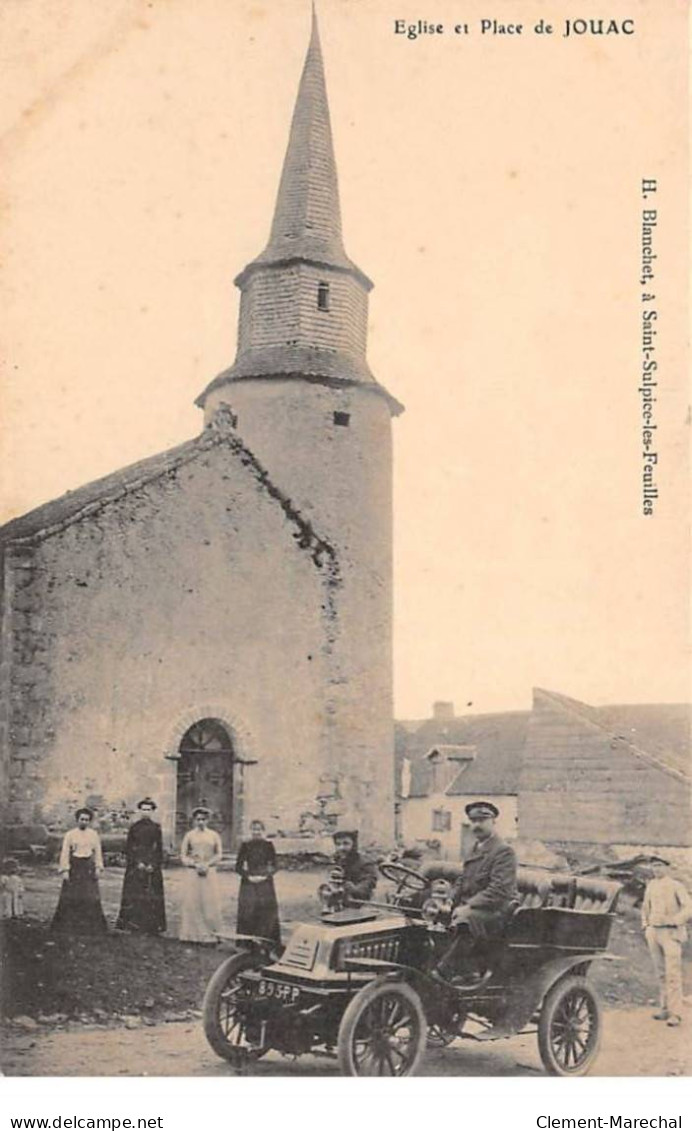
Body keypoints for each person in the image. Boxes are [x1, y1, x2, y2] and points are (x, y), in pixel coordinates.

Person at [432, 801, 517, 983]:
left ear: (493, 822)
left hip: (497, 912)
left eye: (482, 820)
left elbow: (499, 890)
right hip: (476, 909)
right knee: (429, 912)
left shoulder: (504, 851)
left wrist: (467, 906)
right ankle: (462, 969)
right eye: (473, 821)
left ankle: (443, 971)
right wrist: (448, 901)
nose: (476, 825)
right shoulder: (475, 848)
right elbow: (462, 880)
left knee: (466, 918)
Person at [641, 856, 691, 1028]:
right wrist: (645, 925)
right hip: (653, 932)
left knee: (673, 973)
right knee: (660, 972)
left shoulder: (676, 885)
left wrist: (675, 920)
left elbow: (688, 907)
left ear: (667, 868)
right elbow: (645, 907)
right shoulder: (651, 885)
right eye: (654, 866)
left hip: (670, 933)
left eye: (660, 866)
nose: (656, 869)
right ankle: (664, 1008)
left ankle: (676, 1013)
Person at [51, 807, 107, 933]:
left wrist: (98, 867)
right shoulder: (70, 834)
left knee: (90, 895)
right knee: (71, 895)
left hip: (88, 867)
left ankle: (90, 926)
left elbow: (98, 852)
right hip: (75, 867)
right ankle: (69, 925)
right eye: (82, 819)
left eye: (87, 820)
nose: (84, 822)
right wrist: (65, 870)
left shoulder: (93, 834)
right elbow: (65, 853)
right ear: (77, 820)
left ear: (90, 821)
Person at [115, 797, 167, 935]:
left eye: (148, 809)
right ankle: (133, 924)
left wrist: (153, 864)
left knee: (151, 893)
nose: (146, 812)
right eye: (143, 809)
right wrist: (137, 862)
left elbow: (159, 848)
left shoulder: (156, 828)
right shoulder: (134, 827)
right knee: (134, 893)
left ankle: (152, 926)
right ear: (139, 810)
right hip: (136, 864)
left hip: (151, 864)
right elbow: (129, 847)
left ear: (152, 811)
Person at [179, 806, 223, 943]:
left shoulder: (214, 835)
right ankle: (191, 935)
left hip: (209, 872)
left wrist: (208, 864)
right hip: (194, 873)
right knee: (193, 902)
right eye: (198, 819)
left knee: (209, 902)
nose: (201, 822)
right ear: (194, 820)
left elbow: (219, 854)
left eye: (203, 819)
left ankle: (210, 934)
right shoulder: (189, 835)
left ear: (208, 820)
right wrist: (194, 864)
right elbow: (183, 855)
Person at [235, 819, 281, 945]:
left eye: (259, 829)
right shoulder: (246, 845)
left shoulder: (268, 845)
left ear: (263, 831)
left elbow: (275, 865)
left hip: (265, 881)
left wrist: (265, 875)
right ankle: (247, 943)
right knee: (248, 910)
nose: (256, 832)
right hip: (249, 881)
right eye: (254, 829)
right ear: (251, 830)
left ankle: (267, 941)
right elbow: (238, 867)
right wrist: (248, 877)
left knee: (266, 910)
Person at [331, 828, 377, 906]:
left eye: (346, 844)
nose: (341, 848)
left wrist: (354, 888)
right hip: (341, 902)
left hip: (361, 904)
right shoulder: (339, 861)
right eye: (338, 844)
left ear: (354, 844)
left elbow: (368, 883)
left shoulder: (365, 863)